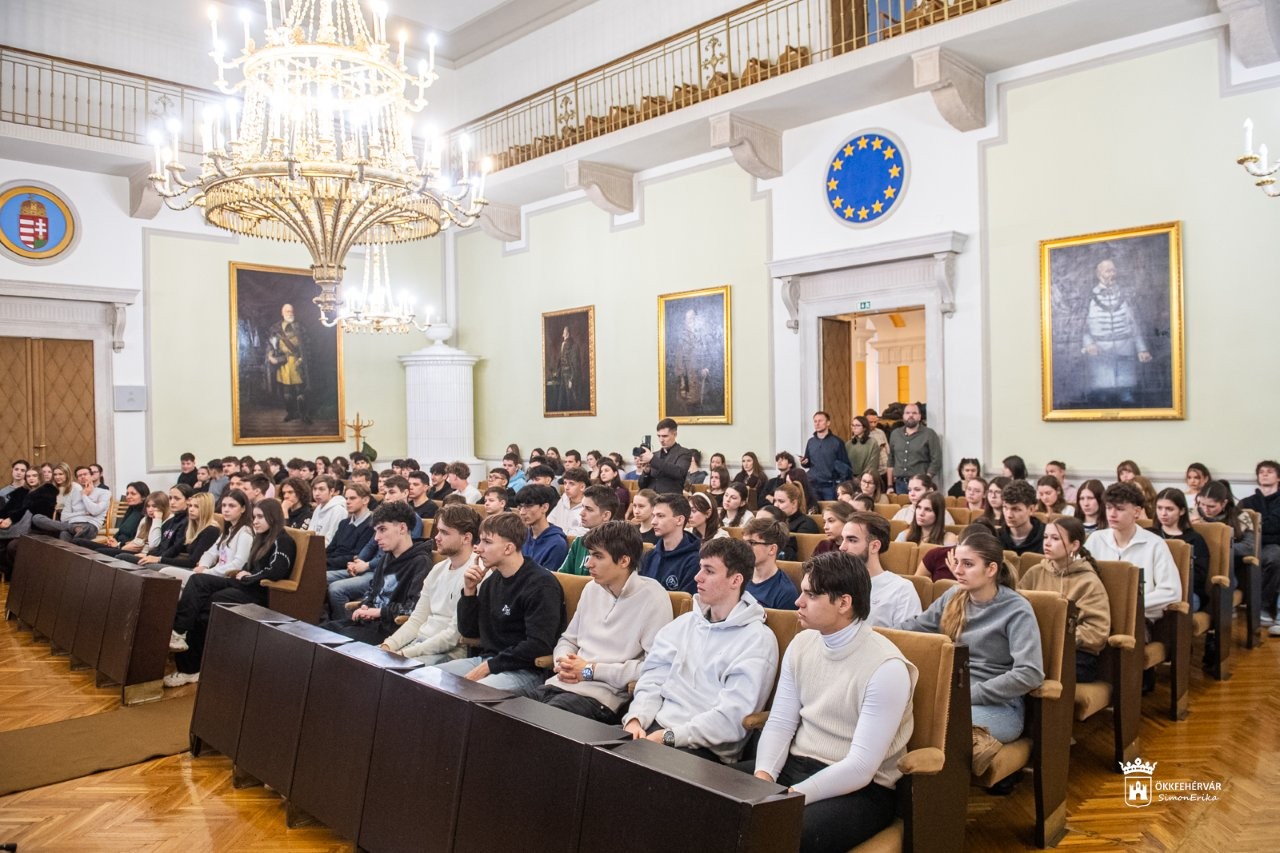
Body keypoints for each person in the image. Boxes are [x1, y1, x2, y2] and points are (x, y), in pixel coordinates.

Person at [751, 551, 917, 851]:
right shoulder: (802, 642)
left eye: (810, 596)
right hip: (795, 767)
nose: (797, 602)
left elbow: (861, 766)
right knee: (706, 802)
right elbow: (780, 722)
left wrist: (789, 795)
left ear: (844, 603)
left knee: (779, 833)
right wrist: (764, 776)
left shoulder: (887, 667)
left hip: (861, 790)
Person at [623, 537, 779, 763]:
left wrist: (671, 736)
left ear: (735, 580)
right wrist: (637, 718)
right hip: (656, 730)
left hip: (705, 750)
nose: (698, 577)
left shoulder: (757, 640)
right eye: (700, 568)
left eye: (709, 571)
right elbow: (653, 678)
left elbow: (731, 719)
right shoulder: (685, 623)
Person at [901, 532, 1044, 776]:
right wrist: (874, 634)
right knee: (902, 715)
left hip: (999, 706)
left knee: (942, 724)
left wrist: (969, 694)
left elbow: (1030, 673)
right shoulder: (953, 596)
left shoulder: (1016, 609)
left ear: (991, 569)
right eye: (956, 562)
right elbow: (914, 628)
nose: (958, 570)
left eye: (968, 564)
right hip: (953, 695)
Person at [530, 521, 673, 722]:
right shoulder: (592, 588)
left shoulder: (653, 597)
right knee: (512, 711)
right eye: (589, 555)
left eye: (597, 556)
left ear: (624, 561)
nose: (588, 563)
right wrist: (563, 662)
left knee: (542, 721)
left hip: (603, 697)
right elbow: (568, 640)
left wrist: (590, 670)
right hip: (561, 682)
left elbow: (653, 667)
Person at [166, 498, 296, 686]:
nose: (256, 521)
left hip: (259, 592)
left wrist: (248, 576)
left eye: (260, 517)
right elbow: (247, 566)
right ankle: (182, 642)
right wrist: (244, 574)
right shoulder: (261, 538)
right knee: (198, 585)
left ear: (273, 518)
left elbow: (276, 570)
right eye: (254, 517)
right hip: (244, 585)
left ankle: (187, 656)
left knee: (207, 602)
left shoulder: (282, 540)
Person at [434, 512, 566, 696]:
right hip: (489, 660)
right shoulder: (491, 581)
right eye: (479, 541)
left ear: (508, 548)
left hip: (526, 670)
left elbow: (538, 644)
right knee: (432, 679)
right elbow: (469, 632)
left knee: (470, 693)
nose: (478, 549)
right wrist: (469, 592)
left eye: (487, 542)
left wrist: (488, 667)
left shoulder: (541, 585)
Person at [323, 501, 433, 645]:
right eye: (376, 531)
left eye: (382, 530)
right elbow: (372, 590)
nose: (376, 538)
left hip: (391, 631)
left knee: (330, 642)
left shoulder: (421, 562)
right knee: (319, 631)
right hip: (370, 623)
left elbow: (413, 609)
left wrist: (378, 612)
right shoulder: (387, 556)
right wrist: (366, 605)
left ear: (402, 528)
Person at [379, 505, 478, 663]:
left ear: (466, 538)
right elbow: (417, 620)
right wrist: (389, 645)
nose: (436, 537)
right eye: (438, 531)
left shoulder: (475, 574)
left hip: (450, 653)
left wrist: (406, 653)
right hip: (420, 645)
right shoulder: (437, 569)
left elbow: (452, 636)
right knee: (376, 661)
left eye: (444, 532)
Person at [1019, 516, 1110, 683]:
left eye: (1055, 538)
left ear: (1074, 545)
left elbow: (1096, 633)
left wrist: (1057, 640)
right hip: (1038, 649)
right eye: (1046, 537)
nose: (1047, 543)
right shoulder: (1035, 572)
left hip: (1076, 656)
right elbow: (1016, 609)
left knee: (1030, 670)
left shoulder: (1088, 582)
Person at [1086, 482, 1181, 624]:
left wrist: (1129, 605)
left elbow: (1171, 592)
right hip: (1098, 616)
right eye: (1109, 508)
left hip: (1137, 619)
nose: (1112, 514)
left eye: (1119, 509)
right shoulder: (1096, 539)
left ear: (1136, 512)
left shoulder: (1155, 544)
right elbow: (1079, 577)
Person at [1080, 259, 1152, 407]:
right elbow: (1082, 327)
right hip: (1100, 352)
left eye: (1113, 270)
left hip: (1125, 347)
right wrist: (1089, 344)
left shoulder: (1126, 295)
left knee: (1127, 397)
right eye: (1108, 271)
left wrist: (1142, 349)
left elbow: (1134, 324)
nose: (1112, 274)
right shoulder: (1088, 298)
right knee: (1102, 396)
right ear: (1099, 274)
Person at [840, 512, 921, 628]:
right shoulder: (834, 582)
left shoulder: (901, 589)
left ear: (874, 546)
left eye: (852, 540)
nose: (842, 547)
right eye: (842, 539)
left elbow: (908, 640)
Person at [158, 490, 252, 586]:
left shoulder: (245, 532)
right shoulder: (228, 530)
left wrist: (207, 572)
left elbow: (238, 564)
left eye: (231, 506)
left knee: (167, 574)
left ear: (243, 509)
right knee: (167, 573)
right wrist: (203, 565)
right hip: (213, 575)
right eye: (224, 505)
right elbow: (211, 552)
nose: (226, 510)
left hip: (225, 579)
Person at [1152, 489, 1210, 614]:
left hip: (1186, 592)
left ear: (1182, 511)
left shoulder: (1194, 539)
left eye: (1169, 509)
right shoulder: (1149, 534)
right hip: (1153, 590)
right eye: (1159, 508)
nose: (1163, 513)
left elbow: (1199, 576)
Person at [1239, 462, 1280, 634]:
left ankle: (1263, 605)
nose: (1264, 474)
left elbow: (1269, 526)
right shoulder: (1247, 502)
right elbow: (1242, 529)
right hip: (1251, 544)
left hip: (1274, 545)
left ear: (1278, 477)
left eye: (1269, 472)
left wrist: (1260, 526)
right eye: (1261, 472)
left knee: (1274, 556)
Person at [639, 493, 703, 593]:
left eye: (660, 516)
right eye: (653, 516)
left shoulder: (695, 561)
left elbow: (685, 604)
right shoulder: (650, 556)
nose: (653, 522)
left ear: (679, 520)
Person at [32, 465, 110, 541]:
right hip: (71, 525)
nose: (82, 477)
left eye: (85, 474)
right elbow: (64, 517)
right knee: (37, 518)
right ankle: (71, 533)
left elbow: (95, 511)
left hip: (90, 525)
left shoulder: (104, 493)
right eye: (79, 475)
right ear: (77, 479)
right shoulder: (73, 493)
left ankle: (68, 548)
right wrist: (84, 513)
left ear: (92, 476)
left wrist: (84, 495)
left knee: (71, 535)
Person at [558, 486, 619, 575]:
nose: (581, 513)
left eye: (589, 509)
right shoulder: (579, 542)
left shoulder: (619, 545)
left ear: (606, 515)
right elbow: (563, 577)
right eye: (582, 507)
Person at [741, 517, 799, 609]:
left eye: (752, 543)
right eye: (744, 543)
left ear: (772, 549)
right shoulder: (738, 576)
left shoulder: (785, 592)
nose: (745, 548)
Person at [267, 303, 311, 423]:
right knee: (286, 392)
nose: (289, 313)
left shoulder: (301, 327)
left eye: (291, 311)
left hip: (297, 363)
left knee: (300, 391)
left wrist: (302, 359)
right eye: (287, 311)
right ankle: (291, 413)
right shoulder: (275, 328)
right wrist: (270, 356)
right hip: (283, 364)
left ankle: (304, 415)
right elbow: (270, 345)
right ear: (282, 313)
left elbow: (307, 345)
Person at [886, 402, 941, 494]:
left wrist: (926, 480)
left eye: (914, 413)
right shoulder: (895, 434)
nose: (910, 415)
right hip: (899, 484)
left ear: (919, 416)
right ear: (903, 416)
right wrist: (890, 485)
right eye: (907, 413)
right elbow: (891, 460)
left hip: (920, 485)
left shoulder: (929, 434)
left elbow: (936, 460)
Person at [513, 483, 569, 570]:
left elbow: (547, 578)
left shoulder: (557, 543)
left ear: (544, 507)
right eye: (520, 507)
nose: (522, 512)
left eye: (528, 506)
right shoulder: (522, 535)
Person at [801, 411, 853, 502]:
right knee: (814, 513)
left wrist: (840, 485)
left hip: (830, 486)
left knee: (830, 511)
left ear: (828, 423)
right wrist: (804, 462)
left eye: (820, 421)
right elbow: (808, 462)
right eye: (815, 421)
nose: (817, 423)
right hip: (812, 485)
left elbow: (845, 467)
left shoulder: (837, 442)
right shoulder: (811, 442)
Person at [637, 418, 692, 495]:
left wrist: (652, 459)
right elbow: (641, 485)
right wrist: (646, 472)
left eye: (665, 436)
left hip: (671, 501)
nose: (661, 440)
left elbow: (679, 472)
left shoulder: (684, 453)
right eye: (659, 436)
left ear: (675, 434)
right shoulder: (655, 455)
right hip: (651, 500)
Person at [998, 480, 1045, 556]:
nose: (1009, 515)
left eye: (1016, 509)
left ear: (1031, 509)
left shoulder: (1046, 537)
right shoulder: (996, 537)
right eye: (1005, 507)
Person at [773, 482, 820, 557]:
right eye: (774, 501)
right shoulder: (775, 521)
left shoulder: (806, 525)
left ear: (794, 503)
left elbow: (802, 554)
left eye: (781, 501)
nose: (776, 505)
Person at [890, 474, 955, 524]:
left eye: (917, 490)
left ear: (929, 491)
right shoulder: (902, 513)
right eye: (909, 490)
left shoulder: (943, 514)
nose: (912, 494)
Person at [548, 468, 590, 537]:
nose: (566, 487)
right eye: (565, 483)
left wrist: (558, 533)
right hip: (556, 539)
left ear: (582, 487)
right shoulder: (564, 499)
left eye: (571, 484)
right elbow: (550, 520)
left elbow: (584, 532)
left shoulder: (589, 505)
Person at [306, 476, 347, 545]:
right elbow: (309, 532)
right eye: (314, 489)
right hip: (313, 547)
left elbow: (331, 540)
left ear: (331, 491)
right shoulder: (319, 507)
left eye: (321, 489)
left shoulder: (338, 510)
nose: (316, 493)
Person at [845, 416, 880, 483]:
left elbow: (872, 465)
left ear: (864, 428)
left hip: (866, 479)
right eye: (852, 425)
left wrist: (861, 478)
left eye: (857, 425)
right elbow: (845, 464)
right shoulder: (848, 444)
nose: (854, 427)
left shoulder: (873, 443)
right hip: (850, 479)